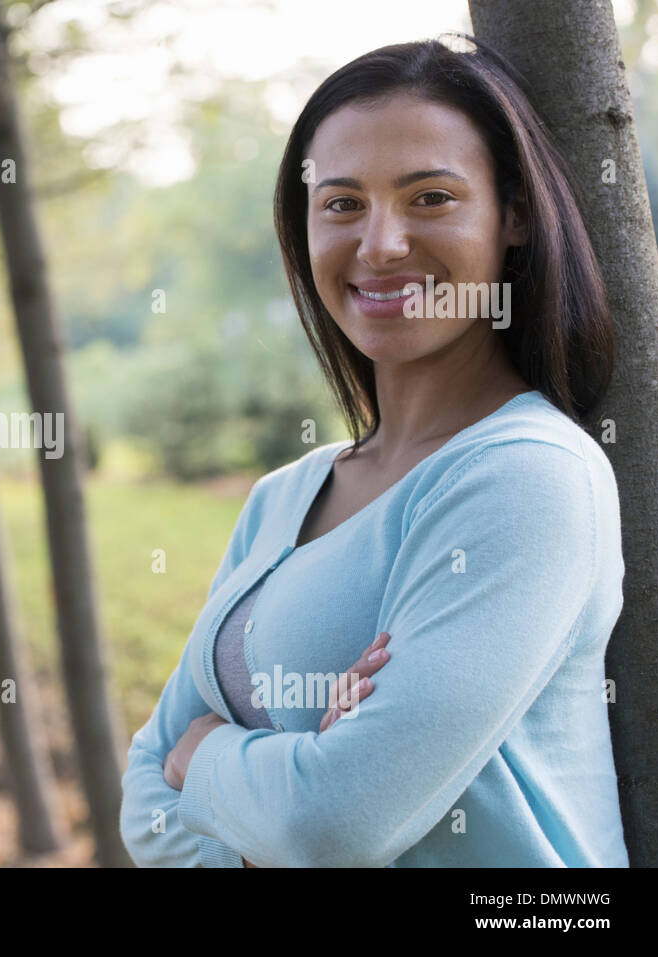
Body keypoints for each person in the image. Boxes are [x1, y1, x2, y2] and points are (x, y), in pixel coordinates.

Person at [119, 35, 628, 867]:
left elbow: (336, 822)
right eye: (342, 203)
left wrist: (207, 760)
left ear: (516, 216)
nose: (381, 243)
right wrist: (275, 805)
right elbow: (144, 792)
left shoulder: (529, 474)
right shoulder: (283, 497)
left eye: (430, 197)